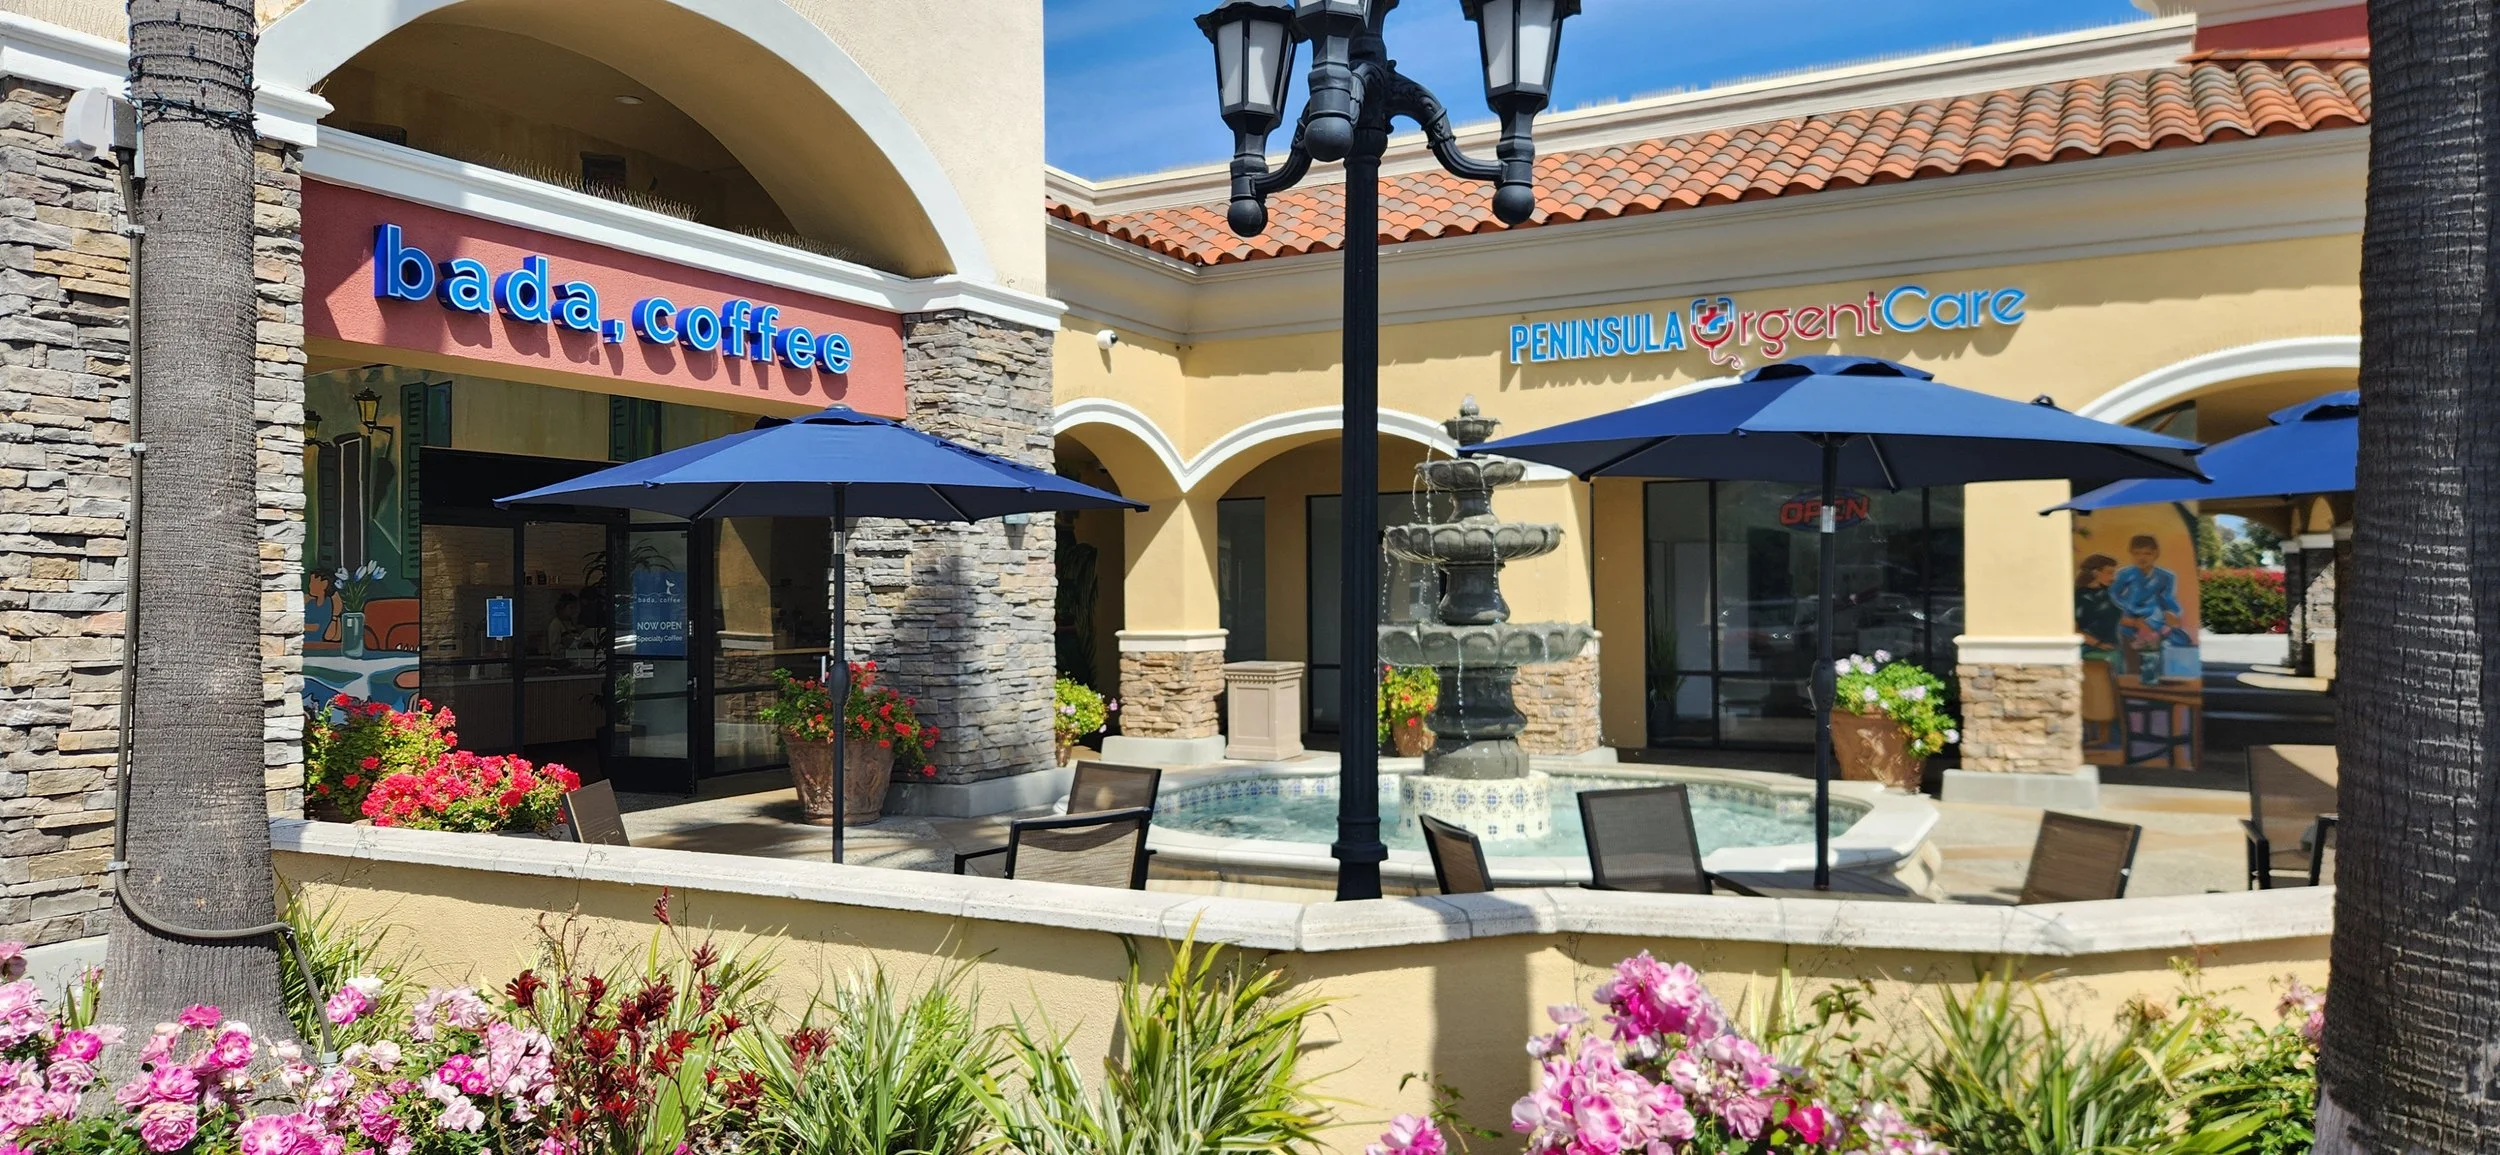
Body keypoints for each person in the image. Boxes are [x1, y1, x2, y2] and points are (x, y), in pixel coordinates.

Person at [2111, 534, 2191, 650]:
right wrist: (2129, 607)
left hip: (2155, 619)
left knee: (2161, 653)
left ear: (2155, 554)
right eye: (2137, 553)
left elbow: (2168, 598)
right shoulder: (2125, 574)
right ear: (2131, 554)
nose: (2142, 558)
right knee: (2132, 660)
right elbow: (2114, 593)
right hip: (2132, 619)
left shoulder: (2166, 576)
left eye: (2147, 553)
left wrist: (2173, 612)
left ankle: (2153, 639)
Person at [2074, 554, 2121, 661]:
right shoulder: (2079, 597)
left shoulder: (2104, 593)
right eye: (2109, 573)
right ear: (2095, 573)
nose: (2113, 578)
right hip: (2091, 652)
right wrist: (2098, 644)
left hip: (2111, 650)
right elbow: (2074, 629)